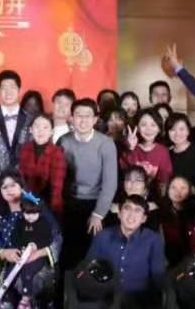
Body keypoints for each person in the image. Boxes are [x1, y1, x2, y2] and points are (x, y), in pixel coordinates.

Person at [57, 98, 117, 270]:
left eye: (88, 116)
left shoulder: (106, 144)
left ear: (95, 119)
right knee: (68, 252)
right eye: (78, 115)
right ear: (71, 118)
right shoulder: (63, 141)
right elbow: (58, 177)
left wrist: (98, 214)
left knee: (94, 251)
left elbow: (110, 182)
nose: (83, 120)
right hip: (70, 202)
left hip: (96, 202)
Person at [0, 172, 61, 309]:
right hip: (8, 265)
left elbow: (56, 237)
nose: (9, 190)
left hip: (37, 263)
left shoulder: (36, 206)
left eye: (13, 185)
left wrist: (37, 253)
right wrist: (5, 253)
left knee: (28, 283)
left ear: (21, 187)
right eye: (4, 187)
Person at [85, 194, 166, 305]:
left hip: (139, 302)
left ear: (144, 219)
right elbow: (89, 269)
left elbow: (158, 277)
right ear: (119, 214)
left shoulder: (153, 240)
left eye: (137, 210)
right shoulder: (102, 236)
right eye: (127, 208)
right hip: (105, 301)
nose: (131, 214)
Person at [0, 70, 33, 191]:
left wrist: (18, 178)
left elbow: (33, 150)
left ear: (20, 90)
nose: (8, 92)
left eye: (12, 87)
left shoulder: (30, 119)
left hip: (23, 182)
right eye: (4, 88)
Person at [18, 114, 66, 217]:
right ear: (31, 130)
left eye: (45, 127)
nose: (40, 131)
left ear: (51, 132)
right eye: (37, 126)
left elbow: (57, 188)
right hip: (27, 201)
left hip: (47, 203)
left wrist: (53, 212)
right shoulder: (25, 148)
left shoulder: (57, 153)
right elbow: (21, 178)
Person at [120, 108, 173, 194]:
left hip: (153, 195)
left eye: (153, 125)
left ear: (159, 128)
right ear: (137, 127)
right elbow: (124, 172)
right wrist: (131, 148)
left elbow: (164, 181)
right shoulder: (130, 147)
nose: (149, 129)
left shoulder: (163, 151)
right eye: (144, 125)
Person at [102, 166, 160, 232]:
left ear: (146, 185)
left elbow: (151, 233)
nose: (132, 184)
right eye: (128, 179)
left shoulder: (153, 207)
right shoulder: (114, 203)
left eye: (138, 180)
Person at [166, 113, 195, 193]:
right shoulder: (166, 154)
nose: (177, 133)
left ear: (188, 131)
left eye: (181, 129)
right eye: (172, 129)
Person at [160, 176, 195, 267]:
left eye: (183, 188)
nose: (178, 191)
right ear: (167, 190)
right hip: (169, 263)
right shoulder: (161, 213)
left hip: (193, 262)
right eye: (173, 187)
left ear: (190, 190)